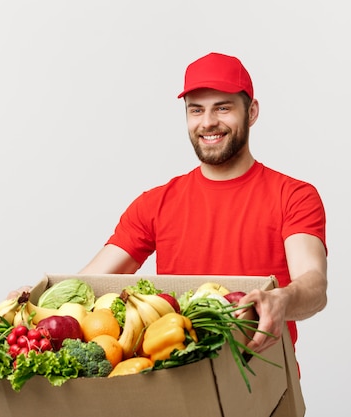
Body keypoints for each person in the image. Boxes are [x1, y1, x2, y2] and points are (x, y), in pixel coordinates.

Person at [75, 52, 328, 354]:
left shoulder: (293, 195)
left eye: (223, 108)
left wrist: (282, 299)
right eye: (196, 111)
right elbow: (87, 286)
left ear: (252, 112)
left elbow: (313, 285)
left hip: (266, 386)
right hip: (180, 384)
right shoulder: (155, 204)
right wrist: (35, 299)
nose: (208, 123)